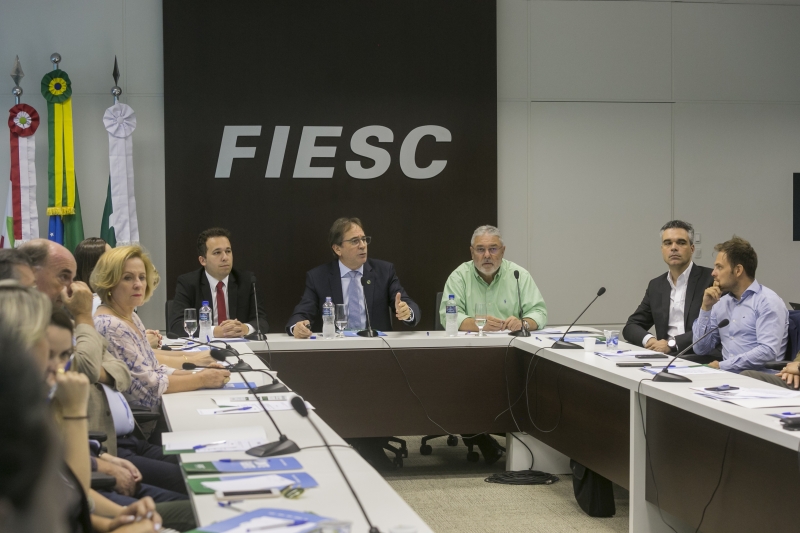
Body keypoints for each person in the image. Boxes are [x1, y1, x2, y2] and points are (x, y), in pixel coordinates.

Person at [92, 245, 230, 409]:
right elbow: (150, 387)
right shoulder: (110, 325)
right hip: (144, 424)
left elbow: (154, 368)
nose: (138, 284)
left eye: (142, 277)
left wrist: (200, 374)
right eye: (128, 278)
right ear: (109, 282)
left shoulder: (131, 317)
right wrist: (202, 379)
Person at [287, 217, 420, 337]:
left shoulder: (384, 271)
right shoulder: (318, 277)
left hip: (377, 348)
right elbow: (302, 313)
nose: (362, 245)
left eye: (364, 239)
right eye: (355, 241)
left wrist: (407, 312)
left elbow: (408, 304)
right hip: (335, 351)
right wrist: (297, 327)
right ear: (337, 249)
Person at [692, 236, 788, 372]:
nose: (713, 273)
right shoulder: (720, 303)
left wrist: (723, 366)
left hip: (759, 380)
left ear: (738, 270)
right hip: (727, 377)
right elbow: (700, 349)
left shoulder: (767, 301)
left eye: (719, 267)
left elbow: (767, 351)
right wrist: (706, 308)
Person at [623, 220, 715, 361]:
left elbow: (712, 328)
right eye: (668, 243)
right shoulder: (656, 285)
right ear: (662, 249)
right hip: (663, 357)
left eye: (681, 242)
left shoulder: (710, 280)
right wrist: (651, 341)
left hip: (698, 357)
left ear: (692, 249)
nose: (674, 248)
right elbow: (632, 326)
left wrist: (671, 344)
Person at [439, 225, 546, 333]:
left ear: (503, 251)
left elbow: (539, 312)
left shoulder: (519, 275)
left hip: (512, 344)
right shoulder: (459, 277)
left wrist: (523, 323)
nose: (487, 255)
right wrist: (479, 324)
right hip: (470, 345)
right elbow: (447, 317)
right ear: (472, 252)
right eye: (480, 249)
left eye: (493, 249)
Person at [169, 227, 268, 338]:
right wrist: (216, 331)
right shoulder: (188, 283)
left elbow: (262, 321)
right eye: (217, 253)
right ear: (203, 260)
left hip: (240, 346)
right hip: (203, 349)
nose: (225, 257)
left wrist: (245, 328)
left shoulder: (247, 280)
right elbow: (177, 325)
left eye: (228, 251)